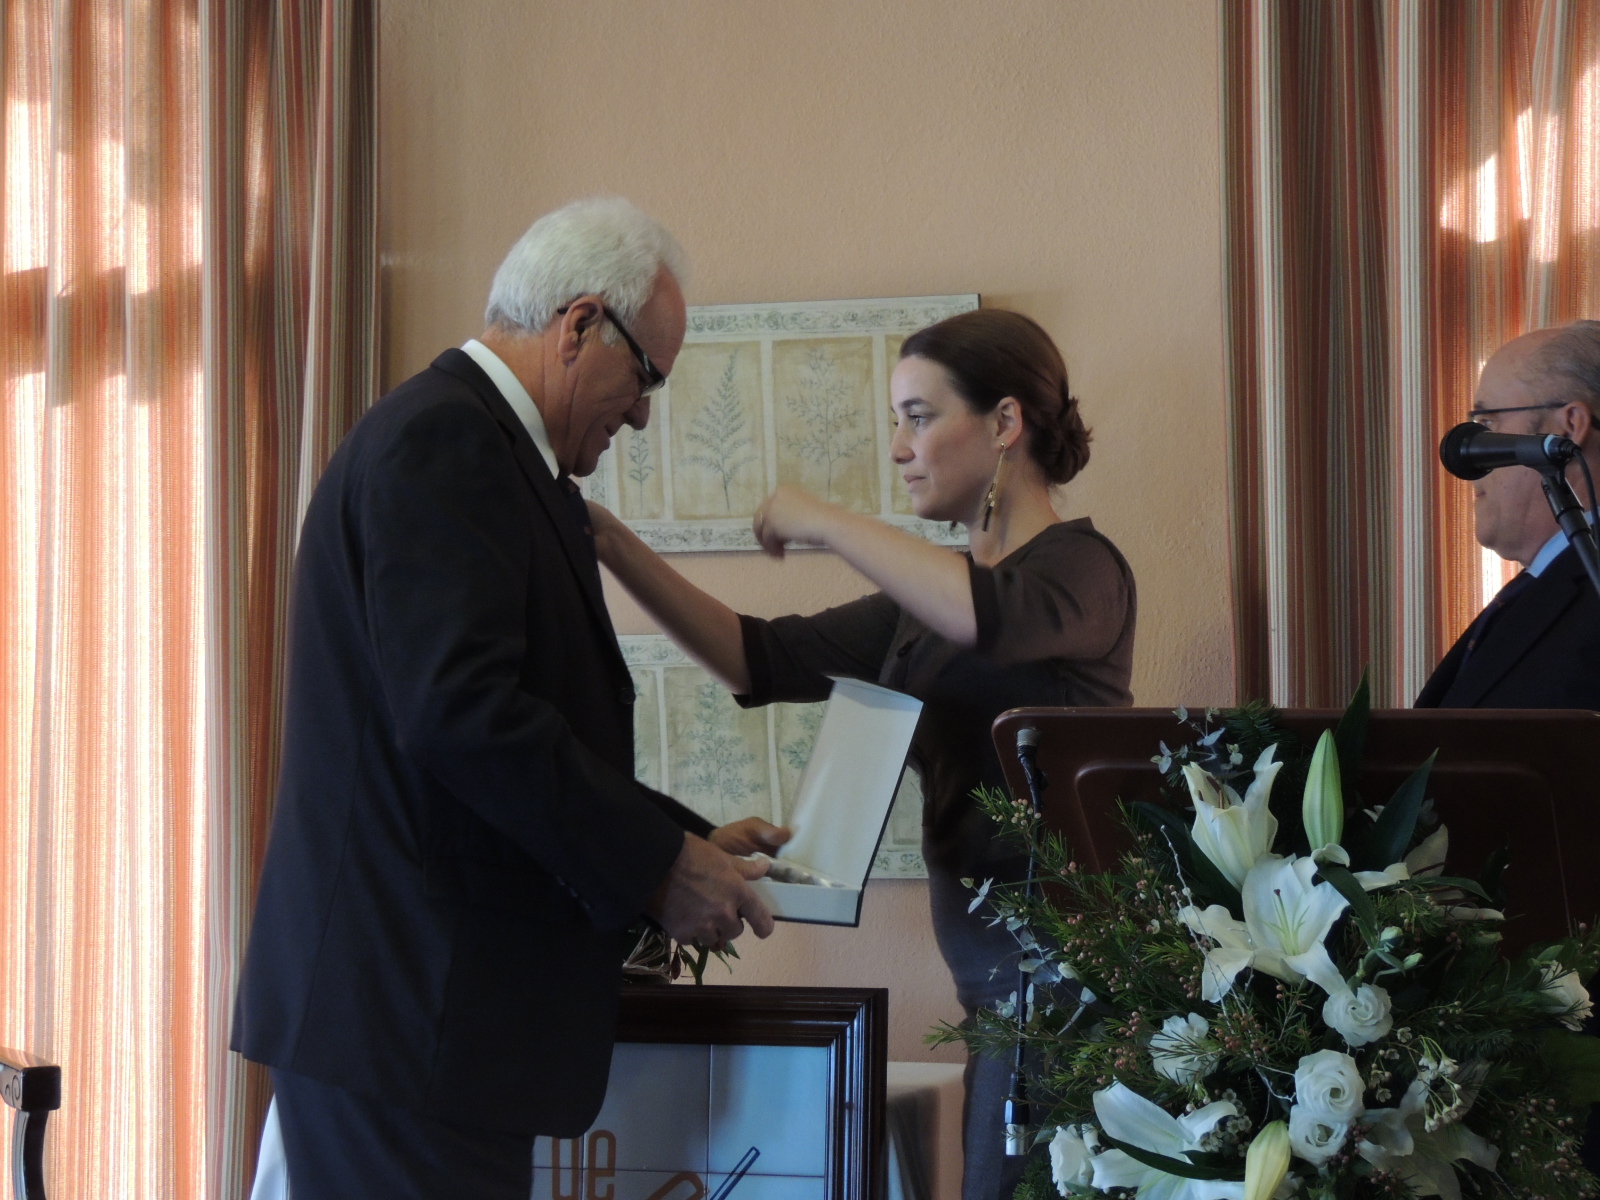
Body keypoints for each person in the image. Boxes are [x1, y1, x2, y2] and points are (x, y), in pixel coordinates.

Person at [232, 198, 784, 1200]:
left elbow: (508, 728)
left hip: (427, 1027)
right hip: (409, 1020)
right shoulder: (449, 441)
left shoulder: (481, 449)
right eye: (646, 376)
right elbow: (463, 717)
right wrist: (660, 865)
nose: (644, 413)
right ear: (579, 325)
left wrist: (686, 838)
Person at [591, 308, 1137, 1200]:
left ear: (1005, 422)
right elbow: (757, 657)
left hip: (1069, 1000)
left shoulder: (1082, 570)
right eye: (896, 420)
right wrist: (609, 540)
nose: (898, 448)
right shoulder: (927, 602)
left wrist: (827, 521)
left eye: (918, 417)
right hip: (996, 1001)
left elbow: (990, 619)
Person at [1416, 321, 1600, 710]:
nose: (1469, 459)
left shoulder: (1591, 582)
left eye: (1488, 424)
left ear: (1569, 428)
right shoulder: (1543, 585)